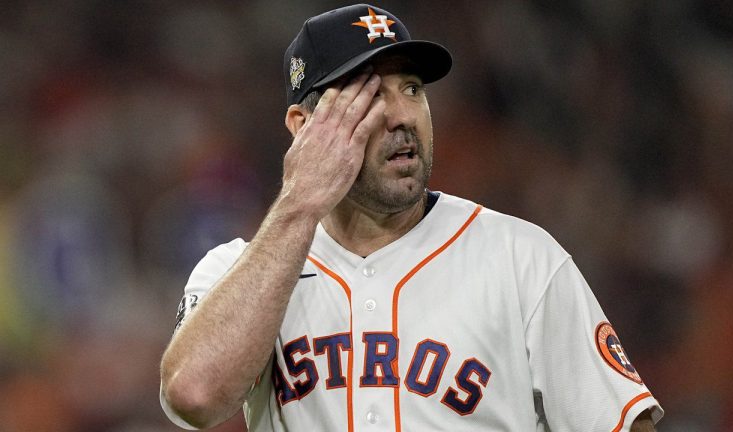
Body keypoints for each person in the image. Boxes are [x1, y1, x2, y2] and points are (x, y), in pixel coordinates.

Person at [160, 4, 663, 431]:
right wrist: (299, 202)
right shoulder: (239, 271)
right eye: (370, 94)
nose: (402, 114)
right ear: (303, 125)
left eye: (413, 89)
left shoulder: (521, 259)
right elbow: (194, 396)